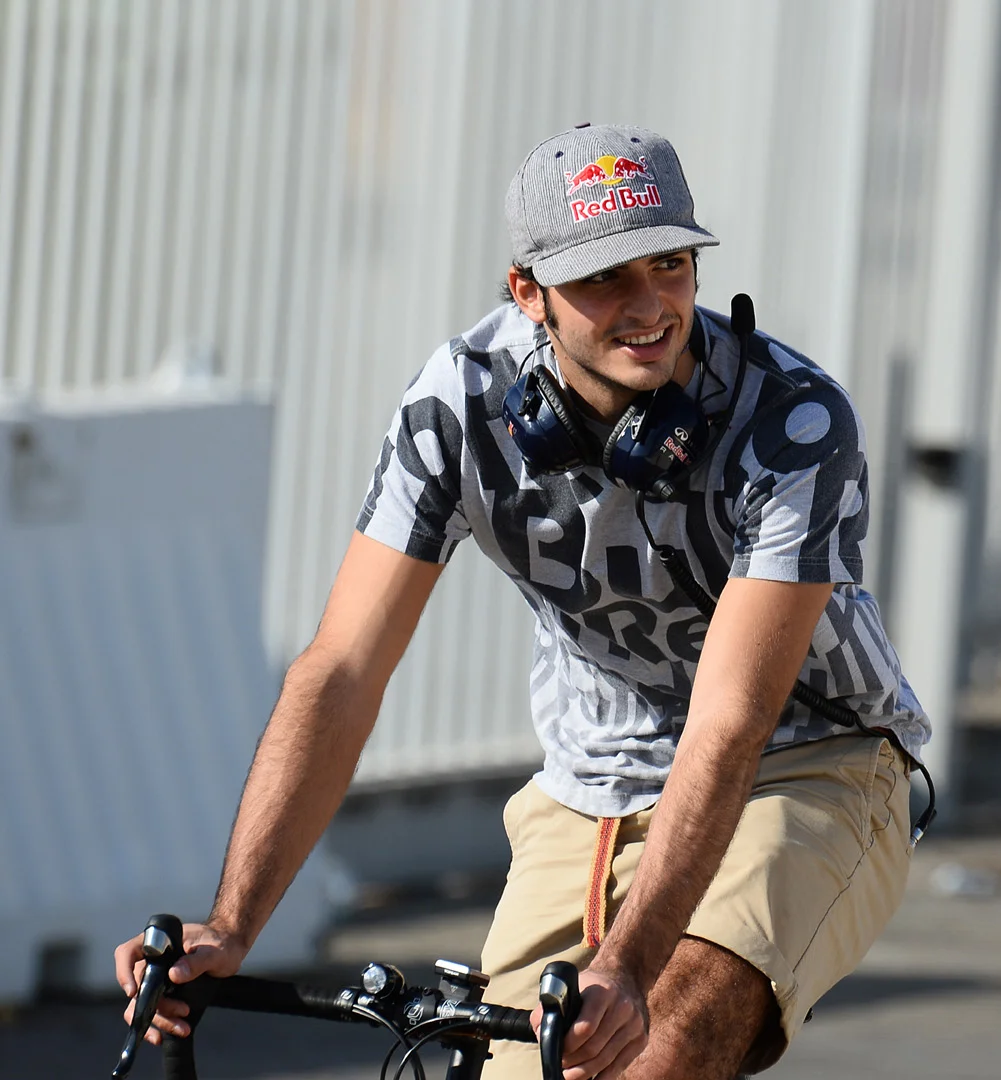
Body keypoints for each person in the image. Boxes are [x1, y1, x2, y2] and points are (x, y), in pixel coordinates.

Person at [115, 123, 932, 1079]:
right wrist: (232, 923)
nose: (650, 306)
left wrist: (626, 966)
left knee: (657, 1046)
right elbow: (342, 669)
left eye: (670, 264)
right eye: (604, 279)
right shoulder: (458, 404)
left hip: (808, 761)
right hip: (587, 784)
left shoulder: (793, 420)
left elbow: (730, 720)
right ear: (527, 291)